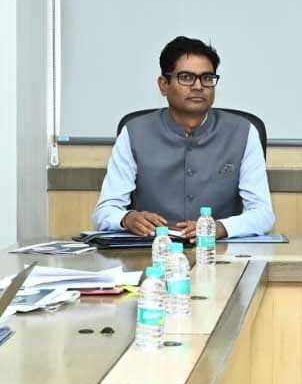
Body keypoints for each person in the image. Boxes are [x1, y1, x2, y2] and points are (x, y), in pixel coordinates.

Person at [93, 36, 275, 240]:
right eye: (186, 77)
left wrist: (220, 227)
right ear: (164, 84)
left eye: (207, 78)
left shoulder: (243, 132)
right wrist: (128, 218)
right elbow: (105, 210)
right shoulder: (134, 132)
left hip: (219, 250)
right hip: (153, 248)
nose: (198, 86)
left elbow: (263, 214)